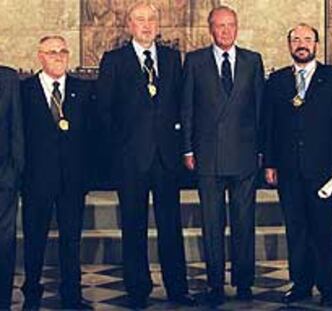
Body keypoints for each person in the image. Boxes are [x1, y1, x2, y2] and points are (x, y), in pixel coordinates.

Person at [96, 2, 194, 309]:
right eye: (140, 20)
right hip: (131, 161)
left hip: (166, 158)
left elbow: (181, 105)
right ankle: (137, 289)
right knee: (134, 225)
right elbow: (104, 112)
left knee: (170, 226)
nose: (147, 25)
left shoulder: (171, 57)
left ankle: (177, 289)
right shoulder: (114, 60)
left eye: (152, 19)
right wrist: (120, 151)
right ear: (129, 25)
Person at [264, 23, 332, 307]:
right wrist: (269, 163)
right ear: (289, 45)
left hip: (325, 171)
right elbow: (268, 127)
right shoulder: (277, 80)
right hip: (289, 169)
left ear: (316, 45)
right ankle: (301, 284)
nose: (301, 44)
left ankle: (328, 285)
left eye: (307, 39)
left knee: (324, 229)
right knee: (297, 229)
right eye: (296, 39)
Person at [181, 5, 264, 306]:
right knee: (212, 224)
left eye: (230, 25)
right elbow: (187, 108)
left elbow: (260, 110)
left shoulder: (253, 61)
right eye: (220, 25)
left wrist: (262, 152)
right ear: (210, 29)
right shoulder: (194, 61)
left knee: (244, 222)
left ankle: (244, 282)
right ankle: (215, 284)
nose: (226, 31)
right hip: (208, 157)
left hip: (243, 157)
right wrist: (187, 148)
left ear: (237, 27)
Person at [20, 35, 91, 310]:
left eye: (62, 51)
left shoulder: (81, 90)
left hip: (73, 180)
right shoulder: (24, 91)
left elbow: (92, 136)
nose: (58, 56)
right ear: (40, 56)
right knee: (34, 237)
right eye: (52, 52)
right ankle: (32, 291)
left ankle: (72, 294)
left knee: (71, 240)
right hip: (36, 180)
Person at [0, 66, 24, 310]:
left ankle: (3, 301)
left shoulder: (7, 77)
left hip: (3, 178)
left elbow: (16, 125)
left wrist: (16, 170)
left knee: (4, 244)